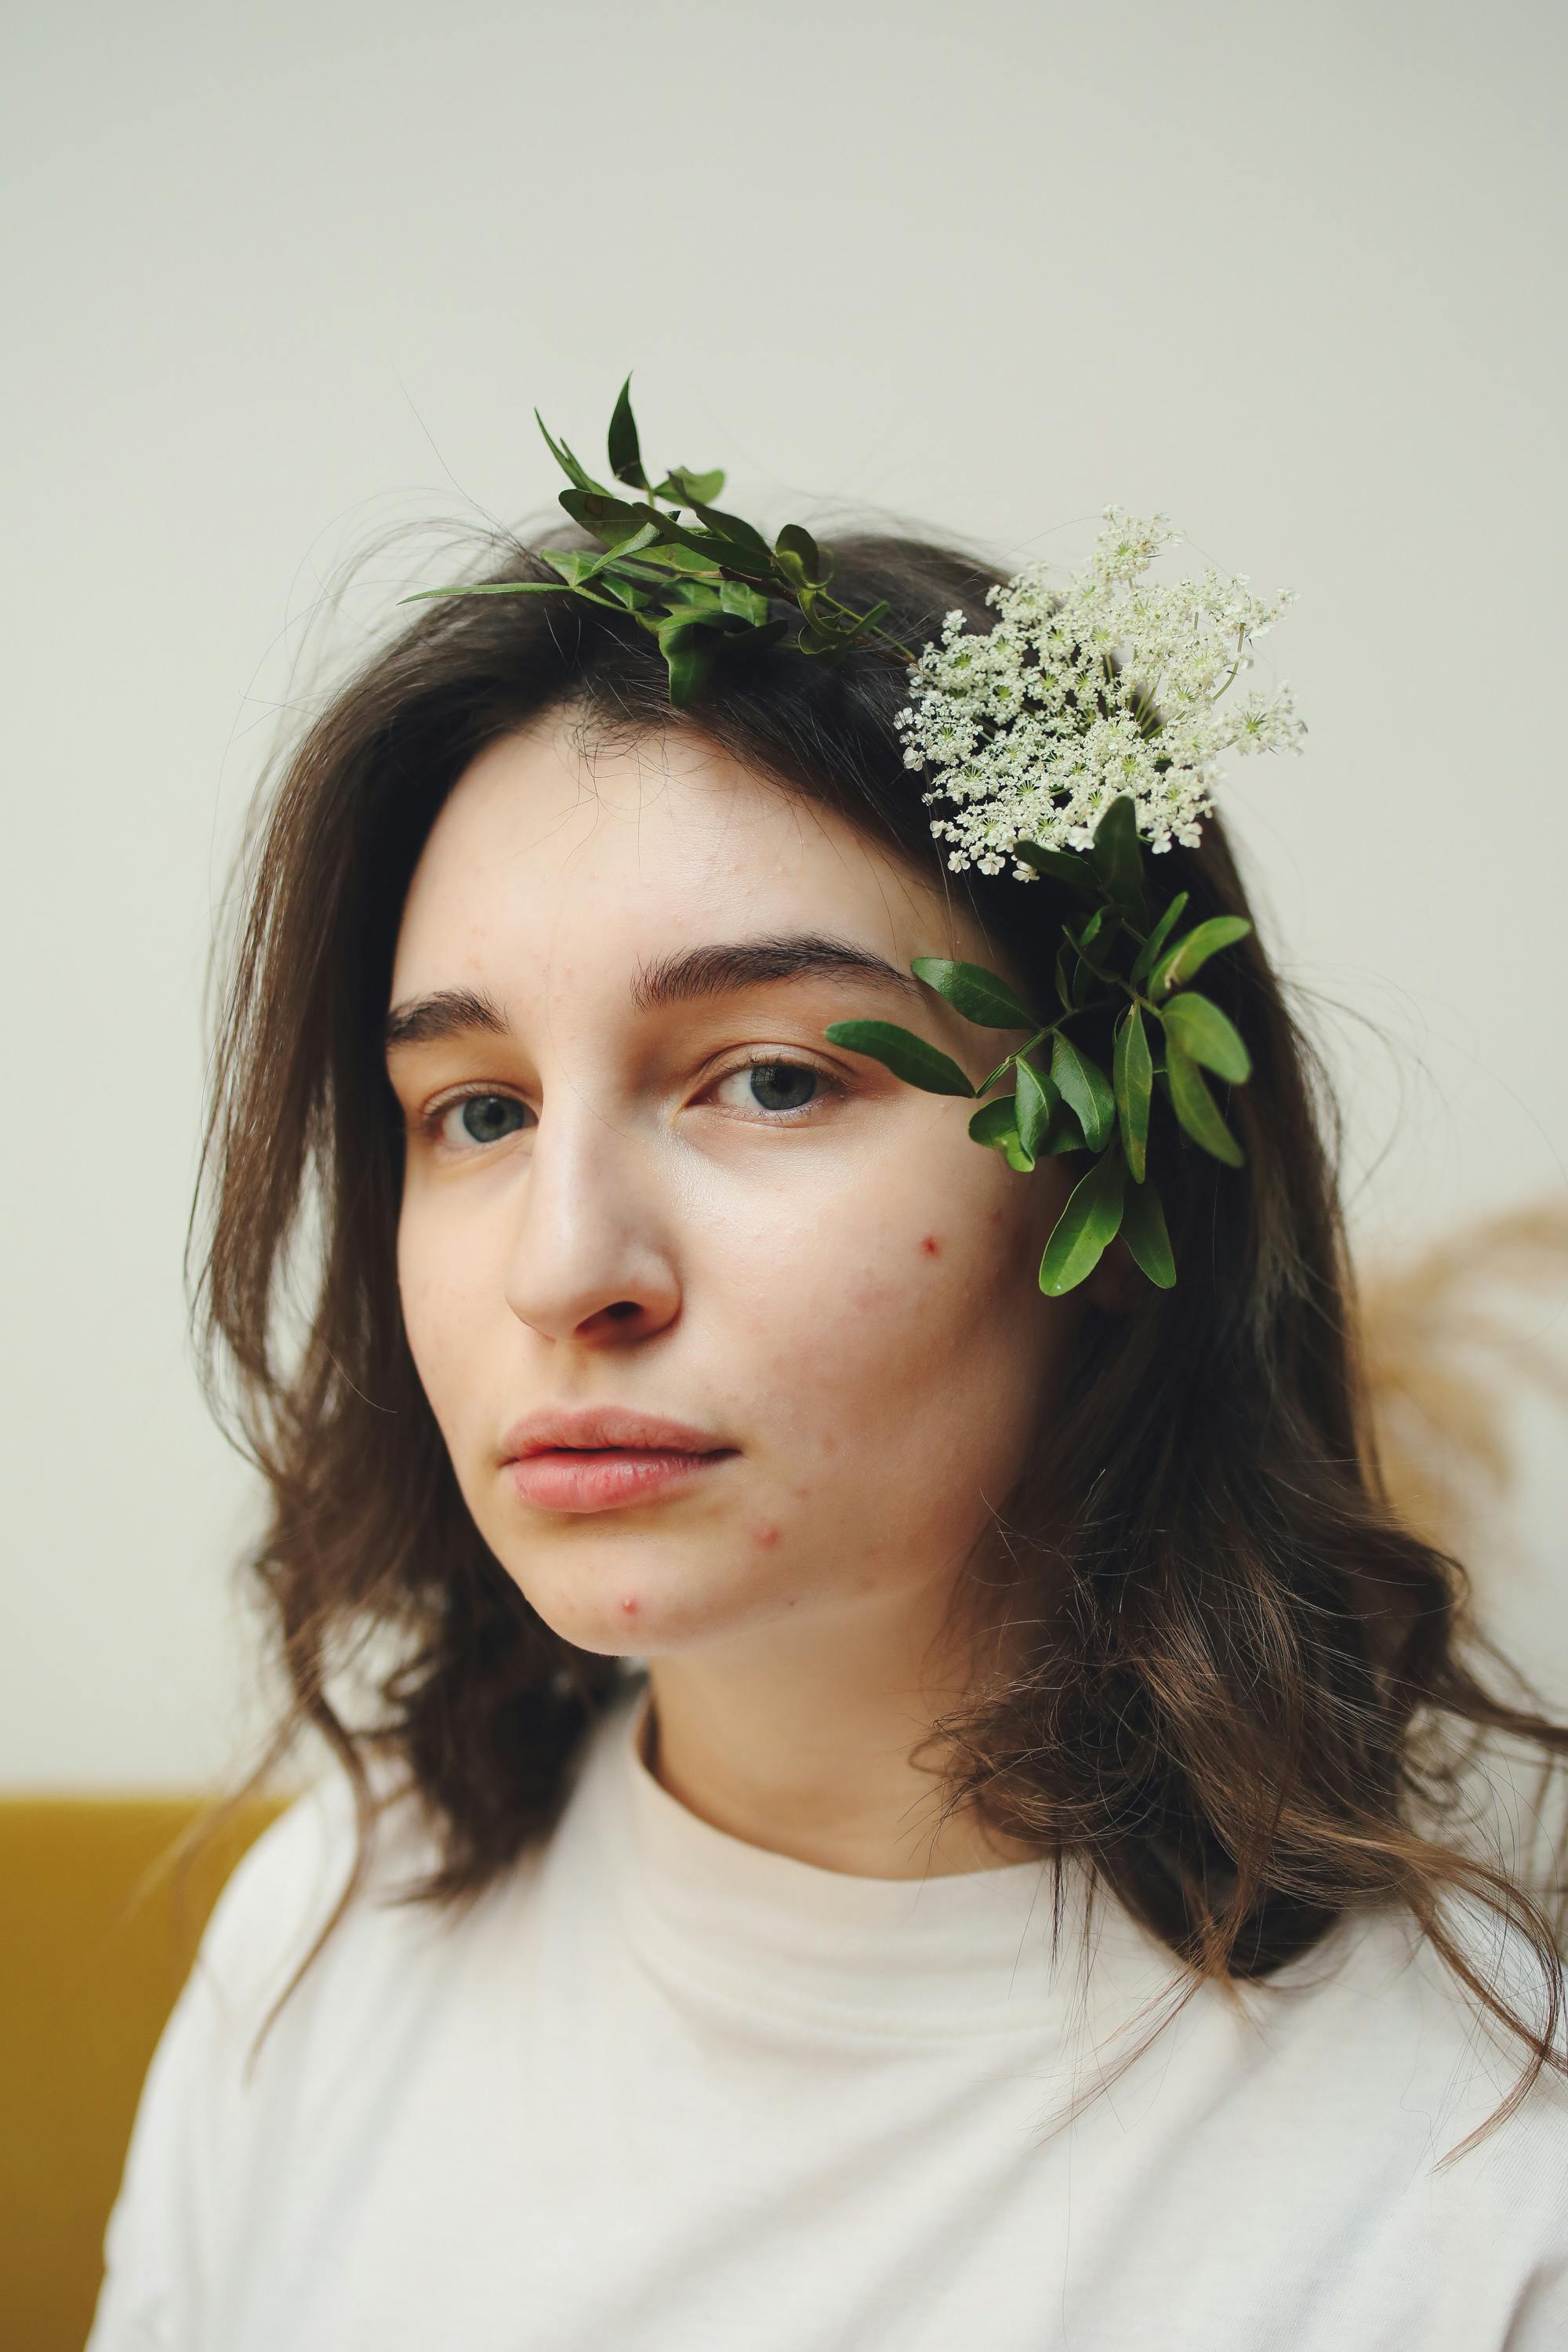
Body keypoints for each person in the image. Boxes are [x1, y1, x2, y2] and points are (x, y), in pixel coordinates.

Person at [85, 479, 1568, 2348]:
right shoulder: (326, 1940)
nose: (565, 1267)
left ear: (1118, 1193)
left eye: (772, 1081)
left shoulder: (1474, 2186)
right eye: (478, 1111)